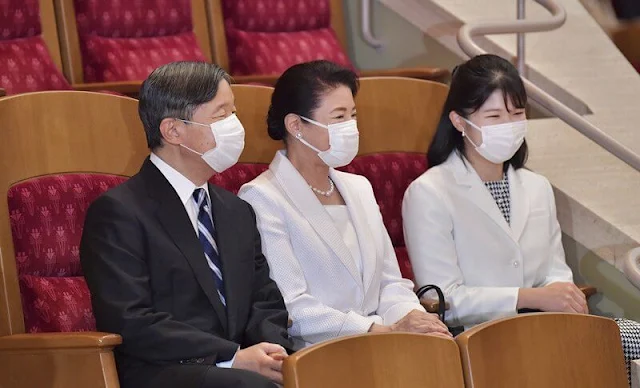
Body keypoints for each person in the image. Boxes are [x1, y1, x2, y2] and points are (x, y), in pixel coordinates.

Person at [402, 54, 640, 382]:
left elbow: (555, 270)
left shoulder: (536, 186)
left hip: (545, 326)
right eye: (495, 116)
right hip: (481, 337)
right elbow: (440, 297)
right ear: (459, 121)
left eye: (516, 114)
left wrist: (562, 294)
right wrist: (530, 297)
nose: (509, 126)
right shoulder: (428, 192)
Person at [80, 62, 292, 388]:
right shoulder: (118, 212)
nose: (235, 126)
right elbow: (131, 319)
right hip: (162, 370)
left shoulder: (235, 209)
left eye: (233, 113)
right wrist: (232, 356)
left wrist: (271, 352)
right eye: (221, 115)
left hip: (238, 365)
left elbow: (264, 297)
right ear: (173, 131)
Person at [238, 60, 451, 349]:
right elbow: (291, 307)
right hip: (322, 354)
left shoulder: (359, 187)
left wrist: (414, 319)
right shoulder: (262, 196)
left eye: (352, 115)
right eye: (338, 117)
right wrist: (381, 331)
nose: (350, 127)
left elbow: (391, 283)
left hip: (389, 343)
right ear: (296, 125)